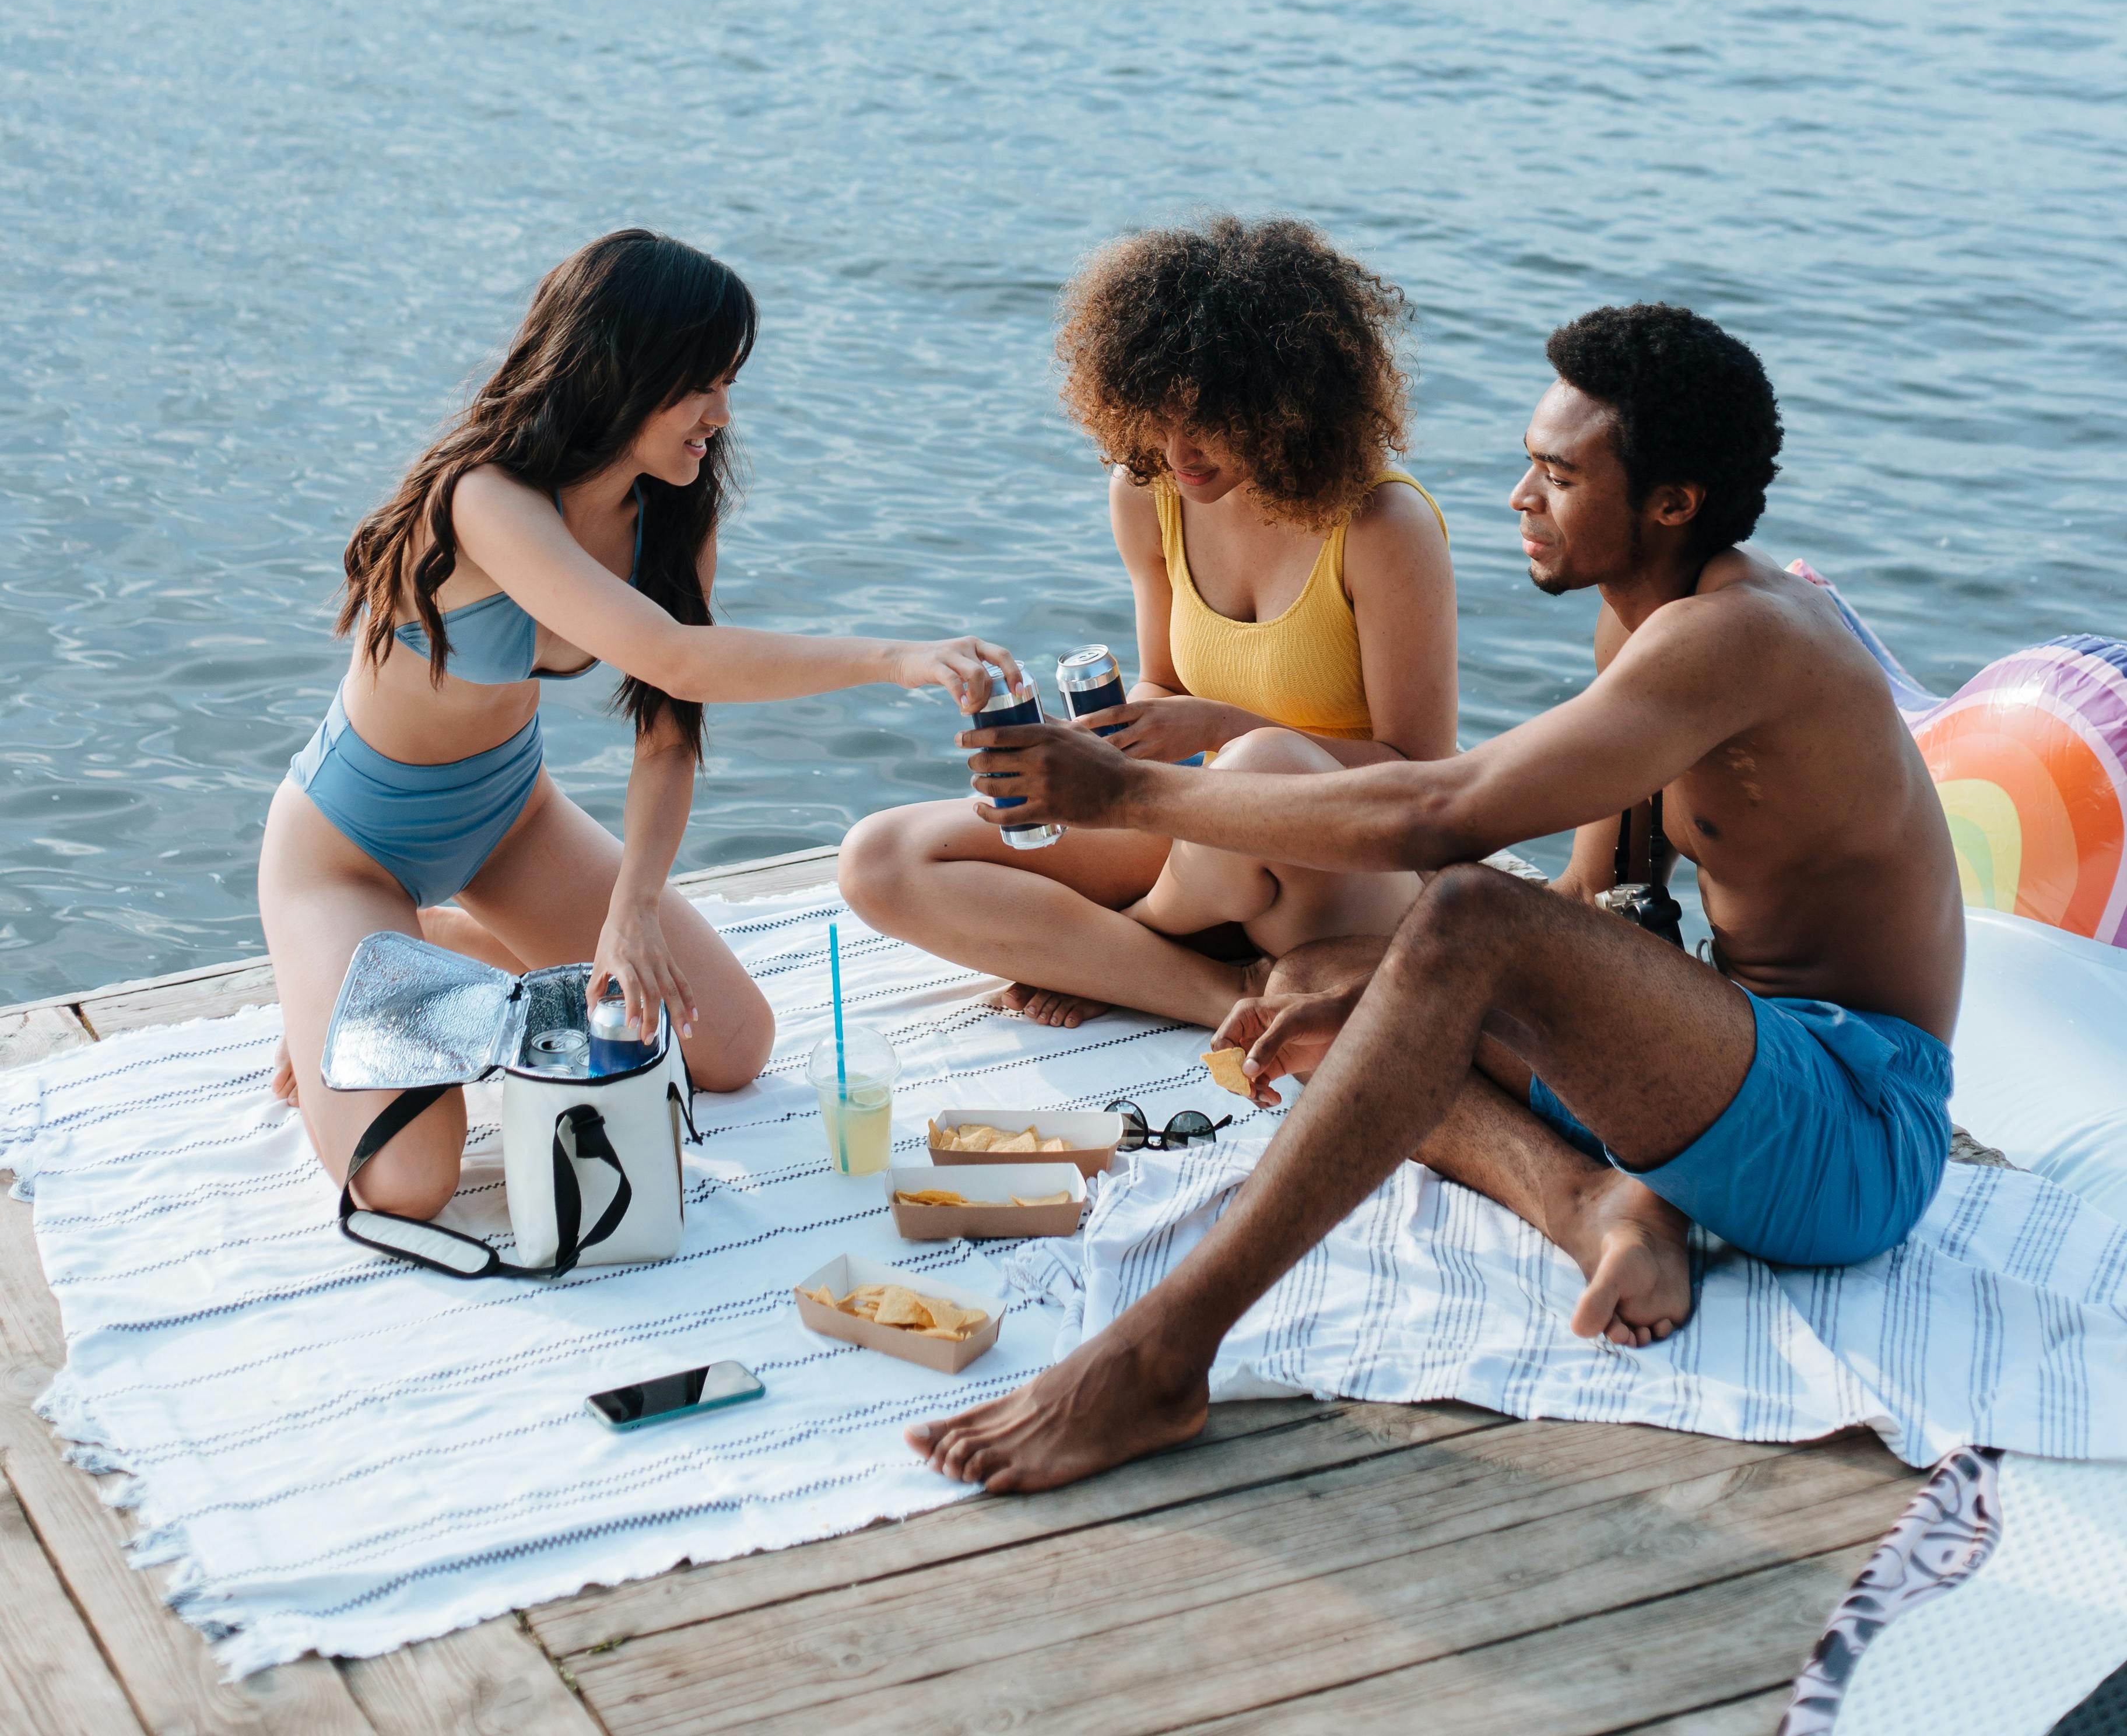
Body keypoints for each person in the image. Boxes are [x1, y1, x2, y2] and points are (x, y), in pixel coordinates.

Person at [912, 302, 1965, 1496]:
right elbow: (1593, 906)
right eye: (1530, 462)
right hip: (1734, 1071)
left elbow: (1442, 816)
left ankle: (1160, 1355)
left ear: (1672, 503)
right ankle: (1600, 1210)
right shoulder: (1648, 626)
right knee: (1364, 1003)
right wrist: (1372, 981)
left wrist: (1129, 792)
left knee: (1461, 918)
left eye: (1560, 475)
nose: (1520, 496)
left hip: (1853, 1121)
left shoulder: (1743, 638)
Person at [260, 227, 1011, 1222]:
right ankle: (367, 960)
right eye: (701, 382)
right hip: (347, 853)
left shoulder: (673, 510)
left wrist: (636, 905)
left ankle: (442, 944)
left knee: (732, 1048)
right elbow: (675, 654)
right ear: (621, 370)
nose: (721, 412)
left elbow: (668, 732)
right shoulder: (485, 498)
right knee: (410, 1185)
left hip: (510, 822)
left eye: (728, 382)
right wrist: (893, 659)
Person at [840, 216, 1456, 1032]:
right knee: (880, 859)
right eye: (1155, 417)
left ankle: (1128, 950)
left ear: (1289, 405)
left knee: (1261, 761)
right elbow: (1163, 681)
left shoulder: (1381, 526)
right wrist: (1106, 746)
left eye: (1208, 418)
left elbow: (1424, 779)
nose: (1178, 451)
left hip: (1338, 859)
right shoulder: (1151, 493)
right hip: (1204, 844)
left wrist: (1219, 727)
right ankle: (1221, 995)